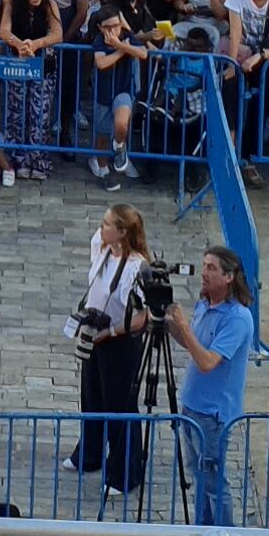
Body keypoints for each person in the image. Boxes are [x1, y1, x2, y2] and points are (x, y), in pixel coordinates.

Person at [170, 241, 257, 527]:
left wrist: (183, 326)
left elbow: (208, 362)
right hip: (191, 405)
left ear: (229, 276)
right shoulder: (205, 304)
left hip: (214, 414)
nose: (204, 273)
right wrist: (166, 322)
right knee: (199, 476)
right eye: (204, 265)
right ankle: (201, 535)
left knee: (215, 483)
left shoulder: (237, 319)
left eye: (211, 268)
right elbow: (191, 344)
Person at [68, 203, 153, 496]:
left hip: (121, 341)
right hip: (96, 332)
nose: (100, 228)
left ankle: (124, 471)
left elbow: (144, 316)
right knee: (91, 395)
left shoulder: (136, 267)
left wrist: (112, 331)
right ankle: (89, 454)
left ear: (121, 232)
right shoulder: (102, 248)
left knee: (120, 404)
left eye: (107, 224)